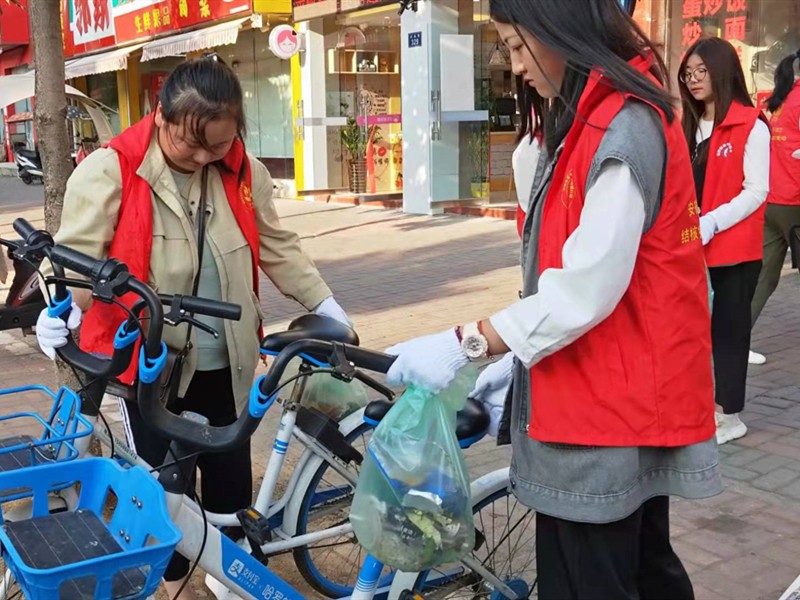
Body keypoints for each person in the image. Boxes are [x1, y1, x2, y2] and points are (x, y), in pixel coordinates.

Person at [385, 1, 721, 598]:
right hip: (598, 398)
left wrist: (470, 343)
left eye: (518, 46)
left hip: (605, 415)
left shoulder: (622, 128)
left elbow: (586, 287)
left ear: (560, 30)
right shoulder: (589, 121)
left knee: (596, 579)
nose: (515, 67)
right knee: (641, 572)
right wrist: (518, 357)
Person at [34, 55, 349, 600]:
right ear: (161, 117)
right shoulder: (113, 169)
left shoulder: (243, 170)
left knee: (230, 473)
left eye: (219, 145)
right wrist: (59, 309)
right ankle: (170, 574)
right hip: (151, 365)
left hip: (229, 356)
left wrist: (325, 301)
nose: (204, 157)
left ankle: (229, 571)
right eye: (191, 144)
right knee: (161, 481)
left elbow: (276, 246)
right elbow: (74, 260)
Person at [678, 37, 770, 445]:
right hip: (689, 247)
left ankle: (729, 416)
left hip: (733, 249)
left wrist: (712, 222)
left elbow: (756, 190)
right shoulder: (688, 124)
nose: (694, 80)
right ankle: (698, 407)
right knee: (690, 331)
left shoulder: (752, 124)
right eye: (688, 73)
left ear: (723, 70)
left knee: (729, 333)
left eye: (701, 71)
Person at [749, 49, 800, 365]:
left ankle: (735, 341)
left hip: (772, 201)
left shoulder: (782, 99)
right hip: (794, 202)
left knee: (764, 277)